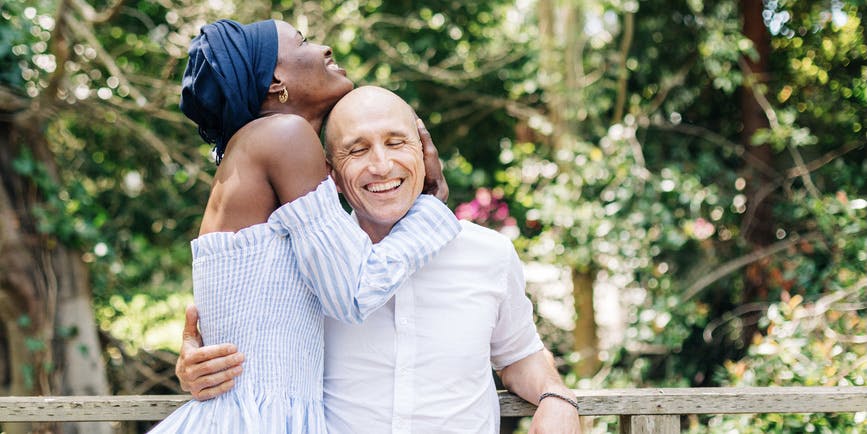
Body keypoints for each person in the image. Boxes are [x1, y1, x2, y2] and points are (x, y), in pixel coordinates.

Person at [176, 86, 583, 433]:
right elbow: (252, 362)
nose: (382, 165)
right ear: (331, 176)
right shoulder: (301, 268)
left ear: (423, 155)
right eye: (357, 150)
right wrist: (196, 369)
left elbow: (520, 355)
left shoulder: (488, 253)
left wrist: (556, 395)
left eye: (396, 142)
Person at [149, 20, 460, 434]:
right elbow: (353, 292)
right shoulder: (285, 135)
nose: (325, 47)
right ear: (276, 80)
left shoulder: (257, 150)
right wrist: (431, 209)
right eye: (304, 41)